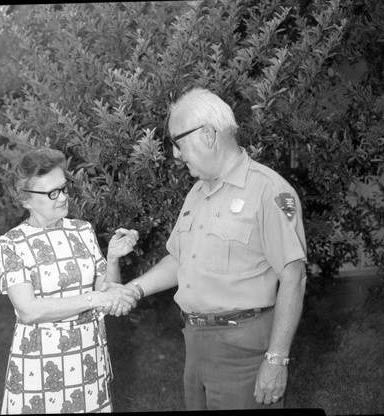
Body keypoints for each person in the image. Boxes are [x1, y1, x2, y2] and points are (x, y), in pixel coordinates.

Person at [124, 87, 307, 410]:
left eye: (178, 143)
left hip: (243, 351)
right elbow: (178, 258)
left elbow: (294, 277)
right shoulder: (198, 192)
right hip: (196, 345)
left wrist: (276, 360)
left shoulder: (269, 191)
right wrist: (133, 289)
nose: (176, 155)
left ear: (208, 134)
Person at [0, 147, 139, 414]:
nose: (63, 197)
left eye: (64, 188)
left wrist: (113, 258)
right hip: (39, 364)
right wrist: (94, 299)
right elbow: (28, 311)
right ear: (26, 200)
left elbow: (106, 291)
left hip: (88, 358)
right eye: (53, 193)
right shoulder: (12, 243)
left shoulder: (82, 230)